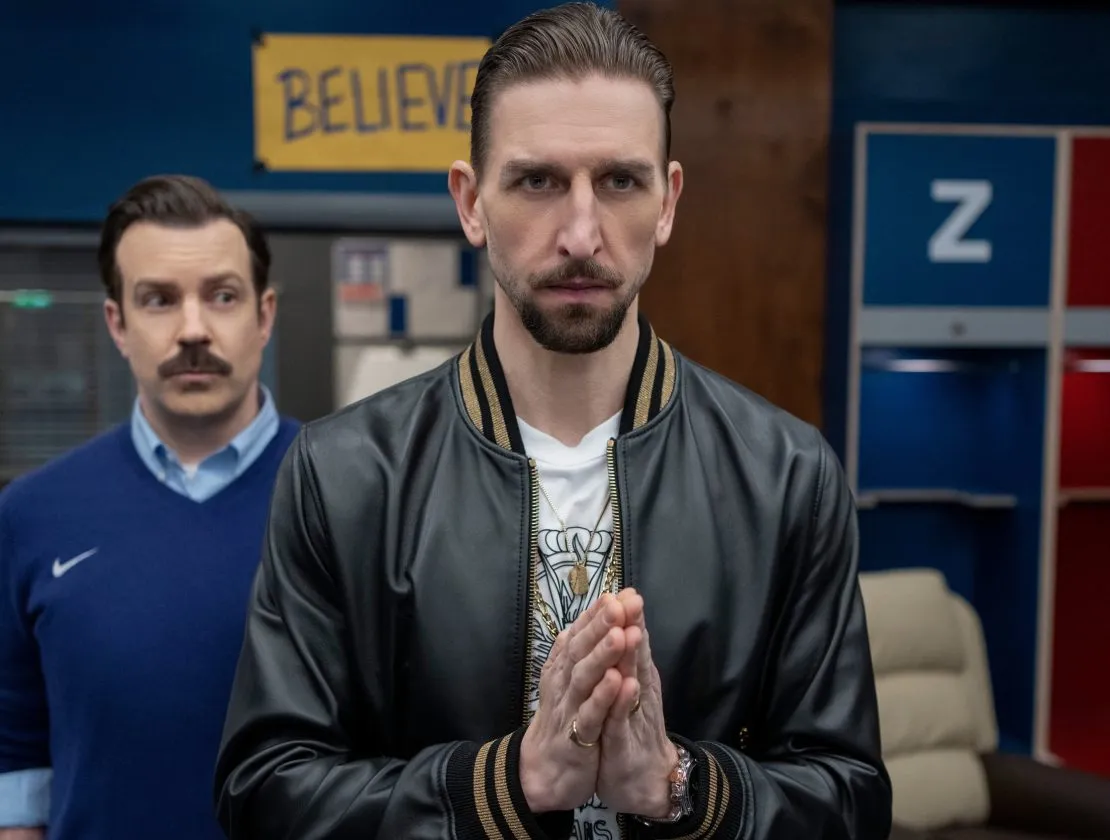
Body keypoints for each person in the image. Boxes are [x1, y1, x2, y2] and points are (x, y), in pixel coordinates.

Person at [213, 4, 893, 839]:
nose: (580, 233)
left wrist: (681, 786)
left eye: (620, 182)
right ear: (471, 202)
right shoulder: (345, 474)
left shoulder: (784, 475)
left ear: (668, 202)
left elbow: (849, 799)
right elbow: (266, 791)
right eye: (537, 181)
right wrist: (505, 785)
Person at [0, 175, 300, 840]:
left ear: (264, 316)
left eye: (222, 296)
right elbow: (15, 756)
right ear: (118, 323)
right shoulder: (31, 515)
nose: (193, 330)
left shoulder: (353, 495)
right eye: (159, 300)